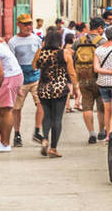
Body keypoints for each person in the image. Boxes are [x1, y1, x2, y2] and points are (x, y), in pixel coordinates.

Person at [33, 26, 79, 157]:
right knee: (57, 119)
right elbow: (71, 72)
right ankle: (53, 148)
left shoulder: (40, 52)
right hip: (60, 88)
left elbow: (34, 66)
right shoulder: (64, 53)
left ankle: (45, 139)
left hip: (43, 88)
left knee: (47, 116)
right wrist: (75, 88)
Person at [8, 13, 44, 147]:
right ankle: (17, 134)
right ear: (19, 25)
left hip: (36, 76)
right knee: (16, 108)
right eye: (25, 24)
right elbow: (11, 61)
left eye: (30, 24)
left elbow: (40, 56)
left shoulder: (36, 39)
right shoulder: (13, 42)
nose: (29, 26)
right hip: (20, 78)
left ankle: (37, 130)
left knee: (41, 103)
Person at [75, 17, 107, 143]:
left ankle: (91, 133)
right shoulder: (102, 41)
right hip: (99, 77)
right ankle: (102, 131)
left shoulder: (79, 40)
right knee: (101, 107)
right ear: (99, 28)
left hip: (83, 77)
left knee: (87, 105)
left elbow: (72, 54)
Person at [94, 25, 112, 141]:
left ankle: (107, 134)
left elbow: (96, 69)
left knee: (107, 110)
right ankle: (111, 134)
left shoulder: (98, 49)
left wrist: (107, 71)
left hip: (102, 83)